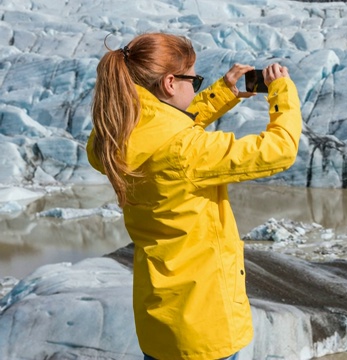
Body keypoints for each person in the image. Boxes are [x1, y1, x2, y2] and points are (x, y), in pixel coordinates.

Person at [86, 32, 302, 360]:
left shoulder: (113, 139)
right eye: (194, 80)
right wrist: (281, 91)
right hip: (206, 330)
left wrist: (221, 93)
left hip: (159, 324)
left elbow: (165, 126)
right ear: (170, 83)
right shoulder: (187, 152)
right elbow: (279, 150)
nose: (195, 86)